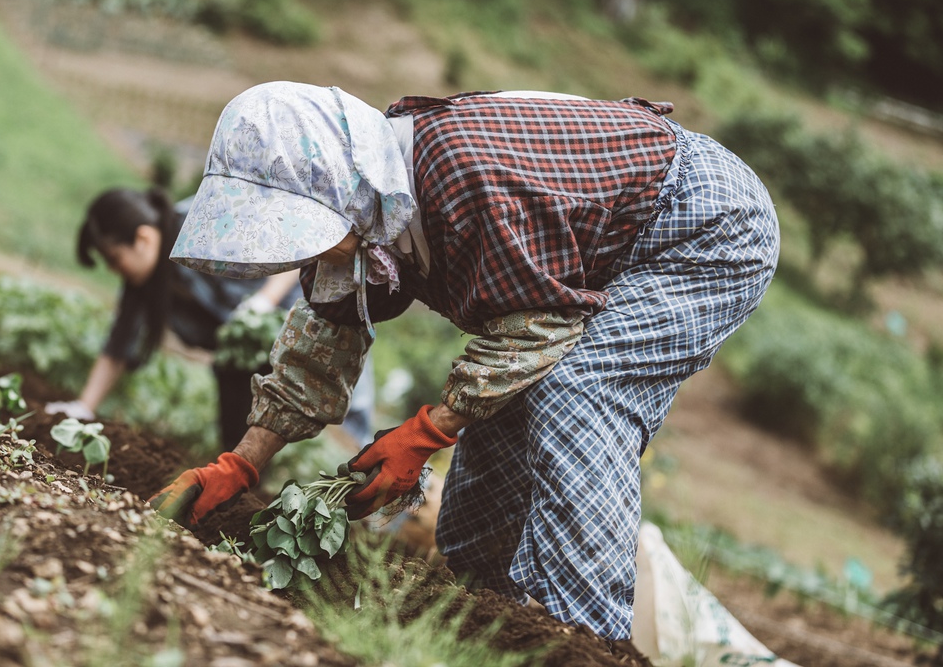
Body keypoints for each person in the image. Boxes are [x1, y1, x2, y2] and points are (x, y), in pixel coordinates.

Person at [149, 81, 779, 641]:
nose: (303, 250)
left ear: (338, 186)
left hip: (703, 223)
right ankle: (494, 622)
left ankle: (586, 641)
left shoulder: (460, 181)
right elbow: (322, 345)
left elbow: (535, 330)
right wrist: (241, 464)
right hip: (597, 253)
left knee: (576, 391)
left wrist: (424, 434)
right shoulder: (370, 217)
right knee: (499, 431)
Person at [44, 187, 373, 451]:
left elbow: (294, 244)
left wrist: (264, 299)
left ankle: (389, 512)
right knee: (241, 432)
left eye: (115, 259)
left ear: (143, 238)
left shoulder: (204, 220)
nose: (116, 271)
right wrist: (84, 408)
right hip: (248, 353)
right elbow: (118, 345)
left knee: (347, 408)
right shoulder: (145, 283)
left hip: (314, 310)